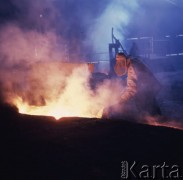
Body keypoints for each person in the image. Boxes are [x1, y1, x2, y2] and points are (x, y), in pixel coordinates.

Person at [102, 52, 161, 120]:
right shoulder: (132, 62)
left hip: (147, 91)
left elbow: (132, 89)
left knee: (148, 112)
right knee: (152, 110)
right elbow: (132, 82)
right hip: (149, 88)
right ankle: (157, 120)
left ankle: (155, 122)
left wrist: (119, 101)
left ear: (123, 62)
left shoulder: (132, 67)